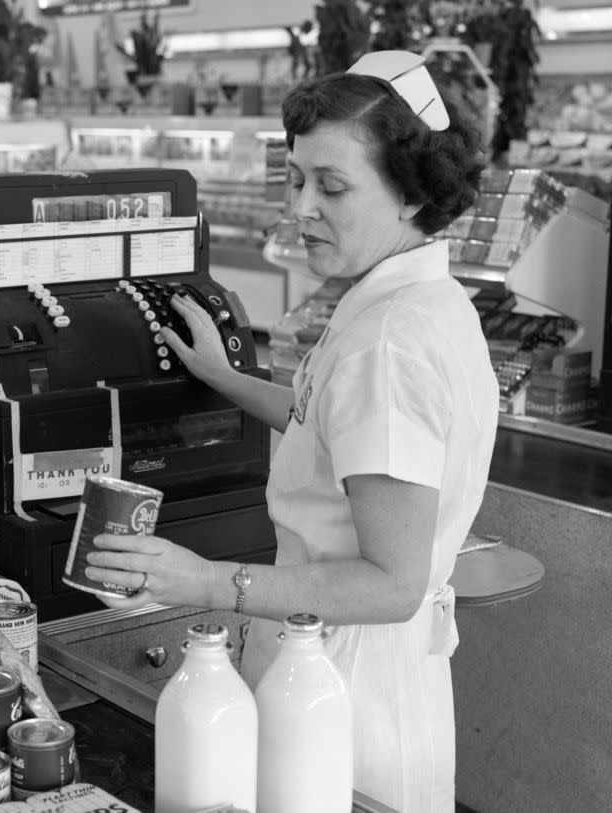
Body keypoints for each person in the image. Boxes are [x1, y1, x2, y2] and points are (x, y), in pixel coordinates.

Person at [84, 51, 498, 812]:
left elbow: (392, 582)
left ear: (411, 194)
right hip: (369, 685)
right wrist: (226, 376)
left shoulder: (389, 344)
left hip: (345, 703)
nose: (299, 207)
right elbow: (335, 427)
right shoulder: (416, 300)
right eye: (296, 177)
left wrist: (204, 579)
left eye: (331, 186)